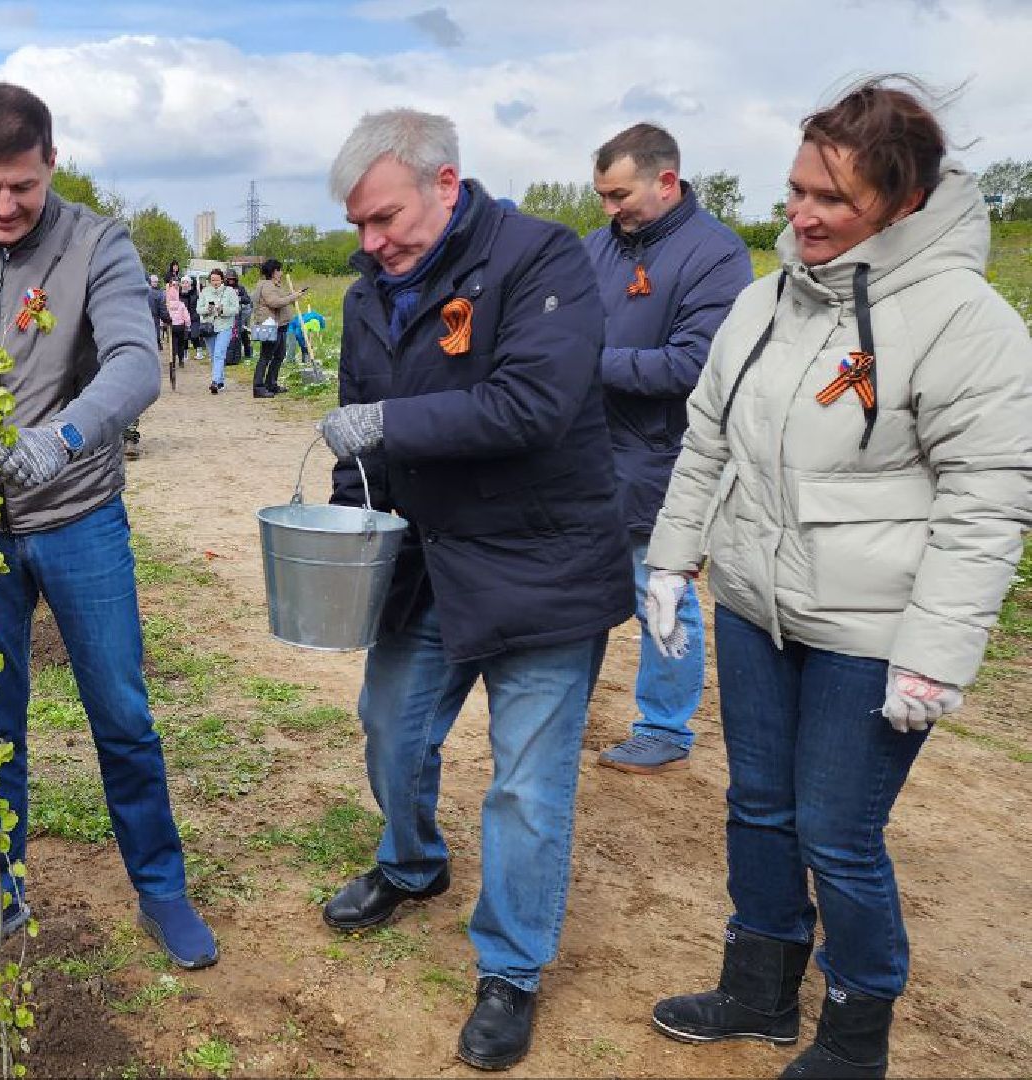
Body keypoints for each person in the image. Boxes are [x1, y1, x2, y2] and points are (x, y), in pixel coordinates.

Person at [644, 77, 1032, 1080]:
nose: (803, 217)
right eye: (796, 192)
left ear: (900, 202)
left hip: (875, 635)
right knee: (756, 804)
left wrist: (935, 657)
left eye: (832, 199)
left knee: (838, 833)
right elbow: (705, 444)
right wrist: (670, 558)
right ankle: (759, 989)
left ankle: (857, 1031)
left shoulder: (966, 322)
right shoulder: (763, 305)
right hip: (756, 609)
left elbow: (985, 503)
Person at [314, 108, 628, 1072]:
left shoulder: (541, 261)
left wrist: (383, 427)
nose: (369, 244)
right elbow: (356, 422)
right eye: (357, 227)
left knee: (527, 786)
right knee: (389, 727)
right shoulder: (372, 288)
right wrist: (348, 518)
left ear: (445, 185)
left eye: (384, 218)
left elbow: (532, 405)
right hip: (426, 565)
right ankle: (411, 864)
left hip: (540, 566)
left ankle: (511, 968)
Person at [0, 82, 218, 982]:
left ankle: (160, 887)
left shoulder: (96, 244)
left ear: (50, 165)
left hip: (78, 518)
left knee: (120, 710)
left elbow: (133, 362)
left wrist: (62, 437)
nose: (4, 207)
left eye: (22, 187)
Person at [582, 123, 753, 775]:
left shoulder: (715, 254)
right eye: (600, 194)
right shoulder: (594, 249)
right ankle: (563, 709)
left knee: (660, 591)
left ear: (664, 180)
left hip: (661, 461)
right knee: (575, 592)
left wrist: (587, 363)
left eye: (618, 194)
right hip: (585, 458)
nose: (608, 209)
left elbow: (696, 364)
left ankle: (663, 727)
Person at [251, 258, 304, 397]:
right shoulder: (267, 285)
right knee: (265, 356)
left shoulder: (276, 285)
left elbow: (281, 299)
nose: (281, 273)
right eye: (279, 270)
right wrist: (292, 297)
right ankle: (258, 387)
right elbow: (274, 302)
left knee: (279, 355)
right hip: (269, 325)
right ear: (273, 272)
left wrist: (293, 295)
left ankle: (271, 383)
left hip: (280, 325)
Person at [194, 268, 239, 393]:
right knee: (214, 355)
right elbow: (198, 309)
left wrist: (222, 310)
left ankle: (214, 381)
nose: (215, 282)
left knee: (219, 353)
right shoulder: (205, 292)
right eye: (212, 280)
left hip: (224, 326)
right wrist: (208, 309)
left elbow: (236, 309)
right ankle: (220, 381)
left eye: (217, 279)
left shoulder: (229, 291)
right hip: (209, 327)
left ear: (222, 279)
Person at [164, 277, 193, 371]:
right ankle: (181, 360)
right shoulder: (180, 304)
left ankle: (172, 361)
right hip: (180, 326)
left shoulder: (167, 304)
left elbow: (164, 314)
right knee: (181, 344)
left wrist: (163, 323)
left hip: (171, 326)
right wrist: (188, 325)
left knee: (172, 344)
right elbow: (186, 315)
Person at [228, 267, 253, 363]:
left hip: (240, 315)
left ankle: (247, 353)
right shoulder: (224, 288)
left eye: (232, 279)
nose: (231, 281)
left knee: (243, 333)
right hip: (227, 315)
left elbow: (247, 299)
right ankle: (229, 355)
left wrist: (238, 298)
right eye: (229, 279)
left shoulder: (240, 288)